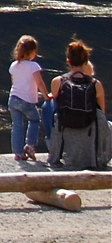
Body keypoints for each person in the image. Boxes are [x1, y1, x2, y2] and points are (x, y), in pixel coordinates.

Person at [46, 40, 107, 171]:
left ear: (68, 61)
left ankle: (51, 144)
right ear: (86, 62)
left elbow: (55, 102)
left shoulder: (58, 81)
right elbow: (101, 111)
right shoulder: (96, 84)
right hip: (89, 128)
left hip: (66, 125)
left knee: (47, 105)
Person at [6, 35, 48, 162]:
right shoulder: (33, 66)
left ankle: (18, 153)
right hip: (27, 101)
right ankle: (30, 145)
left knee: (17, 125)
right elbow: (39, 83)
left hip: (13, 99)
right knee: (34, 120)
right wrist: (47, 96)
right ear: (32, 52)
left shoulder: (13, 66)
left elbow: (18, 83)